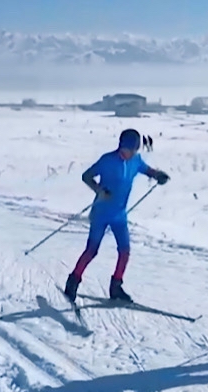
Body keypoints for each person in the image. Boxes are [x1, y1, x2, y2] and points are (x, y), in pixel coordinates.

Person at [64, 129, 170, 303]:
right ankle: (73, 281)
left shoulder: (136, 160)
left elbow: (146, 169)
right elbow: (86, 176)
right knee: (92, 251)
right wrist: (99, 190)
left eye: (133, 150)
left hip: (119, 215)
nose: (129, 153)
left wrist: (158, 175)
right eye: (127, 149)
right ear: (121, 146)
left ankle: (116, 287)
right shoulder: (107, 160)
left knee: (125, 251)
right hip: (101, 213)